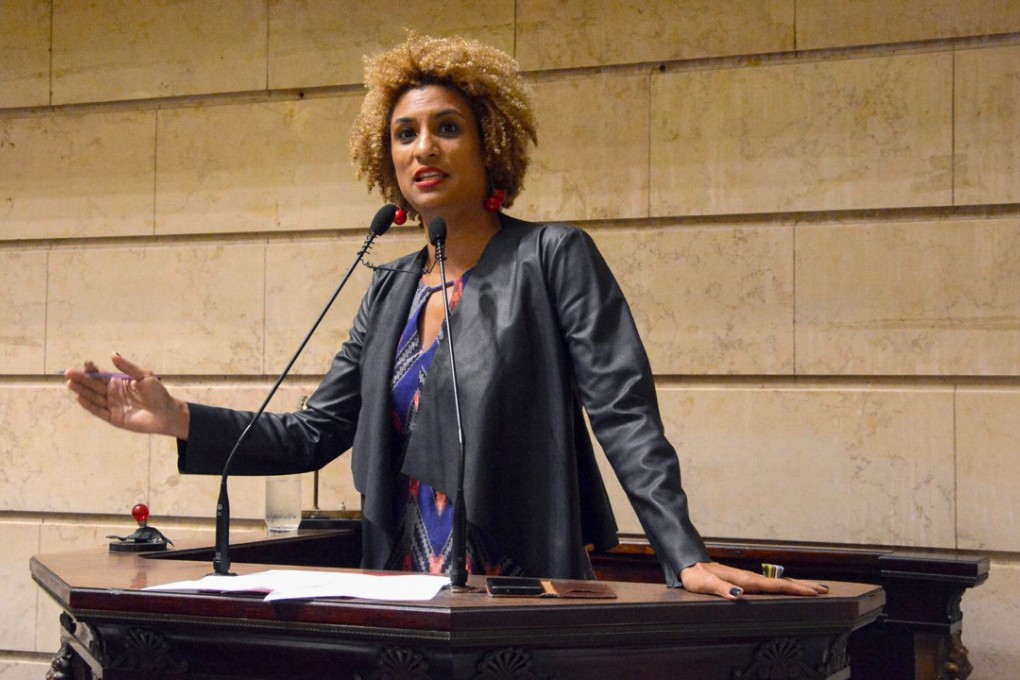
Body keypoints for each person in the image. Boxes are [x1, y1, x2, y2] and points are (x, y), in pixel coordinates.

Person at [66, 33, 825, 600]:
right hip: (399, 594)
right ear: (385, 160)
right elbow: (313, 433)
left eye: (447, 127)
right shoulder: (388, 289)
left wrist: (681, 552)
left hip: (522, 593)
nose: (423, 147)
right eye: (404, 134)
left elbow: (625, 413)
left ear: (489, 143)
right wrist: (178, 418)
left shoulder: (552, 257)